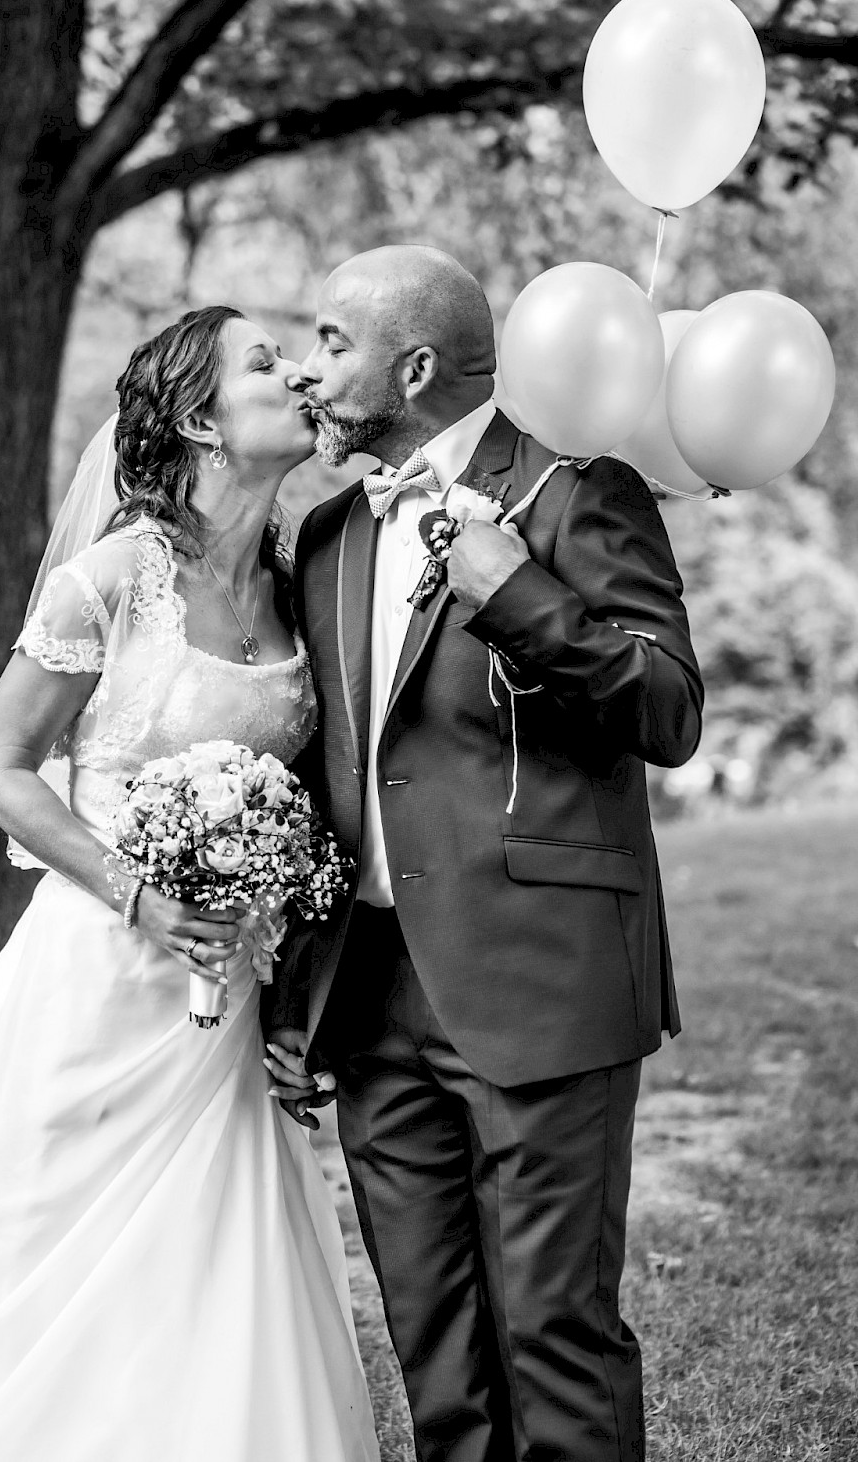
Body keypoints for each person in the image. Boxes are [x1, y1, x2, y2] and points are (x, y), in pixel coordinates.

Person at [0, 308, 380, 1462]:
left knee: (213, 1272)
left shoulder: (302, 585)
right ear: (199, 418)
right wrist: (141, 894)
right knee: (51, 1277)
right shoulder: (109, 580)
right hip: (98, 985)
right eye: (262, 362)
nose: (298, 370)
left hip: (232, 999)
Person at [265, 245, 704, 1462]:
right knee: (438, 1353)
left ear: (410, 366)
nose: (307, 366)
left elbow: (667, 708)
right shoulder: (328, 535)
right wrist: (295, 981)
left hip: (539, 981)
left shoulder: (577, 493)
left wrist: (518, 594)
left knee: (551, 1335)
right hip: (371, 1001)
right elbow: (336, 766)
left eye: (329, 340)